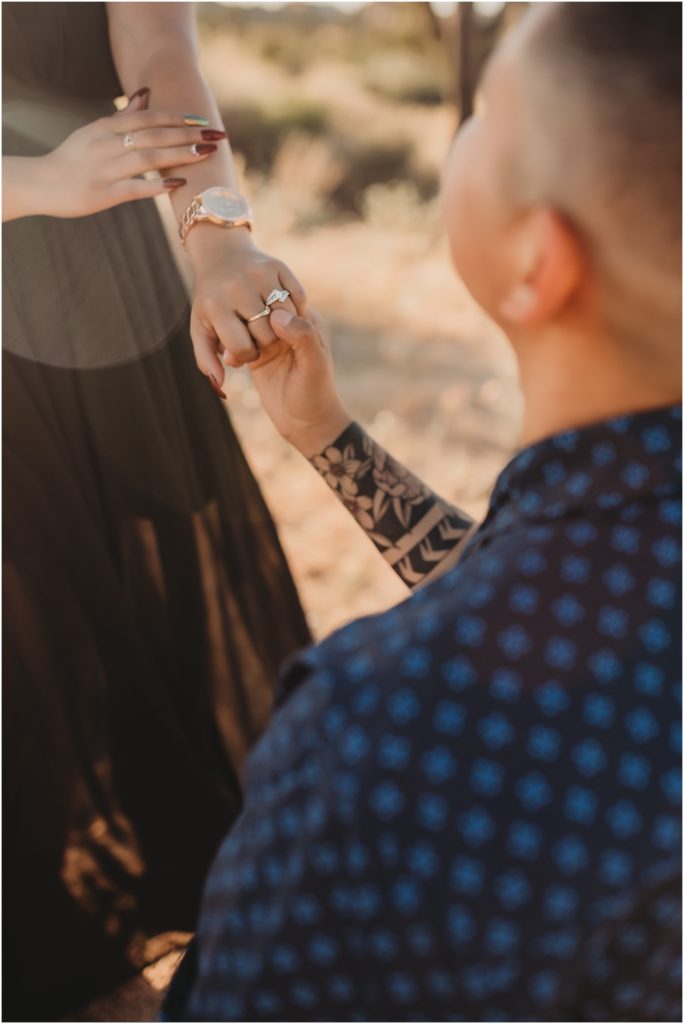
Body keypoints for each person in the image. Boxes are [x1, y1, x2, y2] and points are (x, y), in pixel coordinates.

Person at [163, 3, 682, 1021]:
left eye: (486, 112)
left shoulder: (377, 736)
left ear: (539, 260)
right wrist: (327, 436)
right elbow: (534, 594)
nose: (462, 133)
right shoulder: (619, 539)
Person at [3, 3, 311, 1018]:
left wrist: (219, 241)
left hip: (102, 283)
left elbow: (160, 52)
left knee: (137, 615)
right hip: (42, 218)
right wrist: (36, 182)